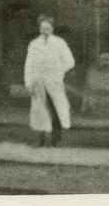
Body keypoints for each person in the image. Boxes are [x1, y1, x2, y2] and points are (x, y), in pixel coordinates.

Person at [24, 14, 75, 147]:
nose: (45, 31)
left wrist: (58, 71)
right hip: (38, 82)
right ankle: (40, 140)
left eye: (47, 28)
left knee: (56, 110)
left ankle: (55, 140)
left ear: (52, 29)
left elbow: (70, 61)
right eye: (42, 28)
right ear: (39, 28)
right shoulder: (34, 44)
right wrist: (28, 82)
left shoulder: (59, 43)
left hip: (54, 82)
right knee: (40, 110)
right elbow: (28, 64)